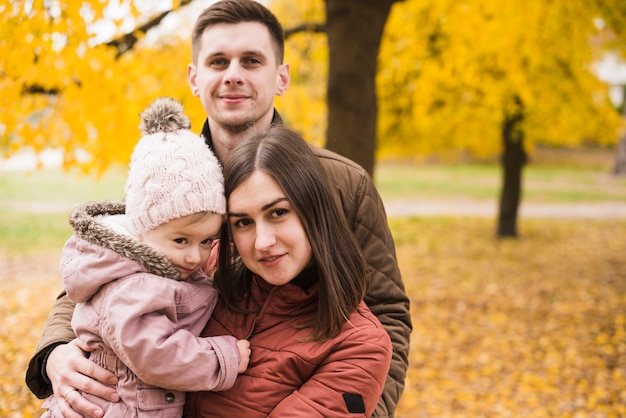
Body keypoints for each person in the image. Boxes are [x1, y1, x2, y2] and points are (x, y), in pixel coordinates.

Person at [25, 1, 412, 417]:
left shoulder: (342, 184)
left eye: (251, 60)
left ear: (281, 77)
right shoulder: (173, 171)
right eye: (218, 61)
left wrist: (351, 406)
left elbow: (385, 316)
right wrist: (57, 352)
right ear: (195, 78)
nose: (233, 75)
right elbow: (113, 266)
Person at [39, 97, 251, 417]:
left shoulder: (155, 262)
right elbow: (157, 356)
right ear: (140, 229)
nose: (195, 255)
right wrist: (223, 357)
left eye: (208, 241)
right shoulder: (135, 286)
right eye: (181, 240)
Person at [184, 125, 393, 417]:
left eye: (278, 213)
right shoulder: (207, 271)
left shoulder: (359, 346)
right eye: (243, 222)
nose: (263, 242)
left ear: (313, 209)